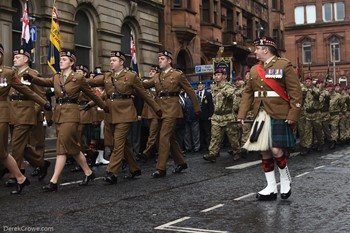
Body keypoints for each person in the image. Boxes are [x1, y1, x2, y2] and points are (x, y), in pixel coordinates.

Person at [24, 50, 109, 192]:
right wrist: (31, 78)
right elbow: (44, 81)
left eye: (64, 59)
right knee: (73, 147)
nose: (61, 61)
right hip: (59, 113)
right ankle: (88, 173)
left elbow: (92, 94)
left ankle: (53, 181)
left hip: (71, 114)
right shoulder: (57, 77)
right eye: (61, 59)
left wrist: (104, 106)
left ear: (72, 62)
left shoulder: (78, 78)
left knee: (62, 146)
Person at [237, 36, 302, 201]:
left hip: (279, 112)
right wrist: (242, 114)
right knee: (264, 150)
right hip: (260, 113)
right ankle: (271, 187)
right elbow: (248, 94)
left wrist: (293, 114)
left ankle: (285, 179)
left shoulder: (284, 65)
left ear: (265, 49)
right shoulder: (253, 70)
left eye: (257, 48)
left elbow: (295, 92)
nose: (255, 51)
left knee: (276, 150)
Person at [87, 51, 162, 184]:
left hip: (125, 113)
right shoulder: (107, 76)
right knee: (123, 144)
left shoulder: (131, 76)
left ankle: (112, 172)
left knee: (118, 143)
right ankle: (134, 168)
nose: (111, 62)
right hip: (110, 114)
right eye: (110, 60)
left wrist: (157, 109)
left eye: (114, 60)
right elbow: (91, 83)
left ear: (121, 62)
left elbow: (144, 94)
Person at [0, 43, 50, 194]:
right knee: (21, 146)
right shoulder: (10, 73)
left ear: (26, 59)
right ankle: (41, 164)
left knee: (16, 145)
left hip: (25, 113)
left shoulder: (32, 74)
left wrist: (37, 110)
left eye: (18, 56)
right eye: (14, 56)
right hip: (11, 112)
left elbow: (37, 94)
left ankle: (15, 175)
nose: (14, 58)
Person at [142, 50, 200, 178]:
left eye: (162, 59)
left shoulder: (177, 75)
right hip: (160, 110)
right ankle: (181, 162)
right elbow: (144, 85)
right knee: (169, 138)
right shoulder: (157, 77)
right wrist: (133, 81)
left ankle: (161, 168)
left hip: (172, 108)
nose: (160, 61)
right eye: (159, 59)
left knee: (163, 137)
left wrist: (196, 108)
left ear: (169, 61)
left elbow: (190, 91)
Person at [203, 68, 240, 162]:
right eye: (216, 75)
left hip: (227, 116)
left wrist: (223, 93)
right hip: (216, 116)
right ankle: (213, 154)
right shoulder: (214, 88)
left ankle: (237, 152)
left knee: (232, 137)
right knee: (215, 136)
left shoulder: (228, 87)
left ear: (224, 76)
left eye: (219, 74)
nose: (216, 76)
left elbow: (232, 94)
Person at [139, 65, 161, 162]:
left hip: (156, 113)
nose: (151, 73)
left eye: (153, 71)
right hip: (148, 112)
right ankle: (160, 153)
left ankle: (146, 153)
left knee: (153, 134)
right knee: (155, 135)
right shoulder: (147, 83)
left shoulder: (159, 83)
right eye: (150, 71)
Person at [196, 81, 214, 151]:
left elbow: (210, 105)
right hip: (199, 116)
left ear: (203, 86)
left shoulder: (208, 94)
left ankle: (208, 145)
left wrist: (210, 115)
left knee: (207, 131)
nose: (200, 86)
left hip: (206, 116)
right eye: (198, 85)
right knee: (201, 131)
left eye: (201, 85)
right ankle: (202, 145)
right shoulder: (196, 94)